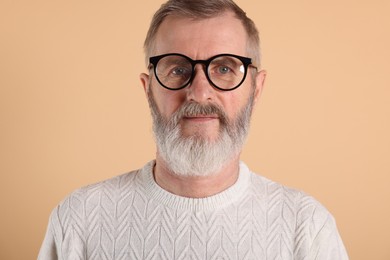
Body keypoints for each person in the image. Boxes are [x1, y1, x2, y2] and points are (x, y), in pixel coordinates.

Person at [38, 0, 349, 259]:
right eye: (177, 69)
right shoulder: (78, 219)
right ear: (148, 89)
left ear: (257, 88)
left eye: (225, 68)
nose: (199, 93)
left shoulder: (307, 228)